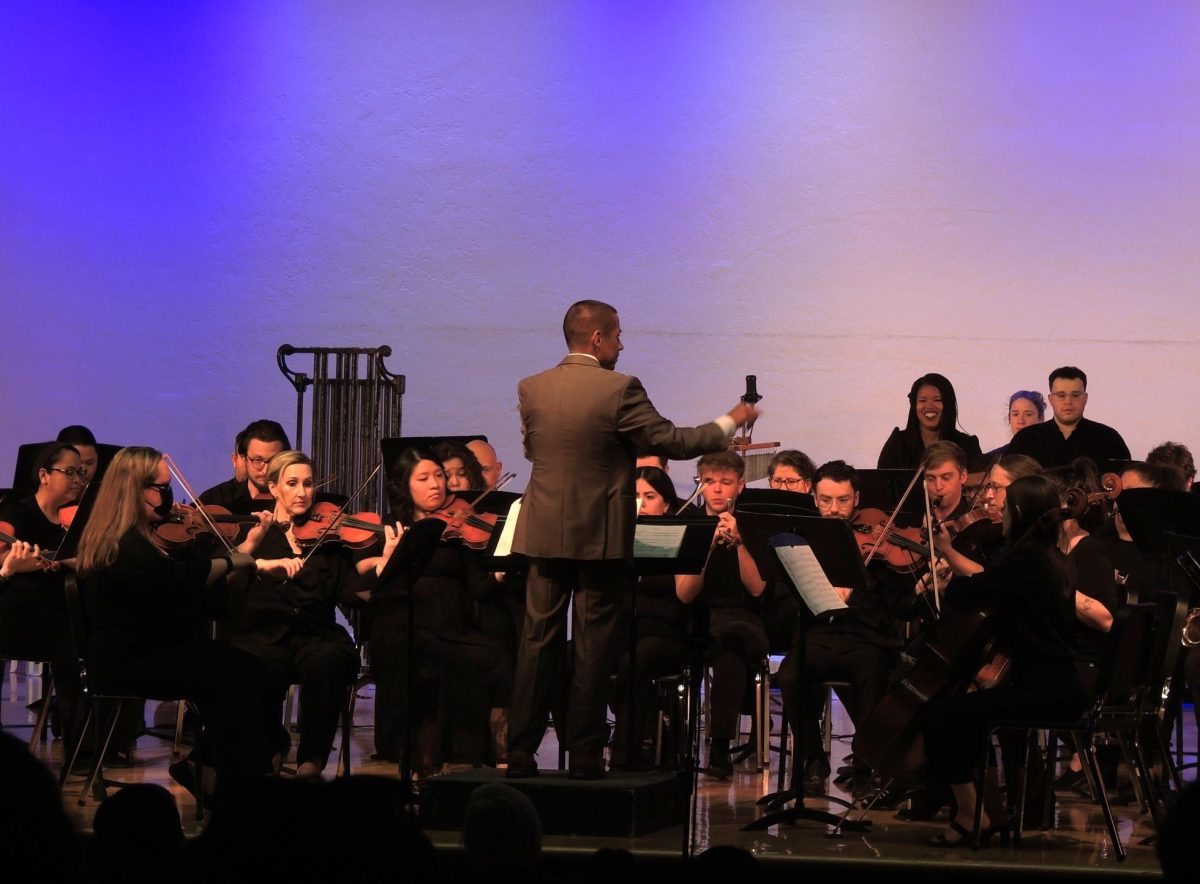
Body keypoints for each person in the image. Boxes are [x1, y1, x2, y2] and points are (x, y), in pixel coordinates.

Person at [506, 299, 756, 780]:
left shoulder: (531, 387)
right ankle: (583, 754)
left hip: (542, 528)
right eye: (617, 334)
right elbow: (674, 442)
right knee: (594, 644)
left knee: (538, 640)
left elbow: (534, 450)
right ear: (596, 338)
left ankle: (521, 752)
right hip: (599, 531)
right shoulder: (620, 389)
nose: (622, 343)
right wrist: (730, 418)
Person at [75, 447, 281, 797]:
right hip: (128, 660)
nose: (170, 498)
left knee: (260, 671)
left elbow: (192, 596)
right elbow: (176, 584)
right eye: (160, 488)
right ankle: (237, 786)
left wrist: (237, 556)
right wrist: (231, 562)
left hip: (161, 650)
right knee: (231, 680)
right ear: (132, 490)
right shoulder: (122, 545)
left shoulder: (147, 541)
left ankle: (214, 767)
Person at [919, 476, 1084, 846]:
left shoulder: (1028, 561)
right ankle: (989, 812)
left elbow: (972, 594)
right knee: (969, 717)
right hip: (1059, 685)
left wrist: (948, 581)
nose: (1002, 515)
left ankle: (966, 815)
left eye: (1007, 508)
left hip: (1041, 691)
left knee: (939, 715)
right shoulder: (1054, 558)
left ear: (1021, 514)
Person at [364, 447, 511, 773]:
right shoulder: (391, 526)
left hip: (451, 627)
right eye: (425, 478)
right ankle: (422, 760)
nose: (436, 484)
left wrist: (502, 570)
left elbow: (479, 586)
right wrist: (385, 561)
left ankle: (480, 757)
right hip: (405, 624)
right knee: (427, 664)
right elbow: (361, 584)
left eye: (439, 477)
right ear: (405, 485)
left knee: (494, 656)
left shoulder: (459, 526)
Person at [225, 450, 362, 777]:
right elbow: (226, 585)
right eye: (292, 483)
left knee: (327, 660)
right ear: (273, 488)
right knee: (254, 665)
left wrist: (385, 563)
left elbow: (351, 593)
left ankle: (311, 763)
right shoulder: (255, 535)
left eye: (308, 484)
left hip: (316, 636)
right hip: (264, 636)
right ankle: (269, 750)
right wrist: (256, 561)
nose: (302, 492)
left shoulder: (329, 537)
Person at [775, 460, 900, 787]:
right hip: (821, 635)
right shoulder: (802, 540)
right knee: (790, 673)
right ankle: (813, 759)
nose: (833, 509)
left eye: (842, 500)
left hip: (865, 639)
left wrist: (860, 590)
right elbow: (786, 596)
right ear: (815, 499)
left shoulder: (877, 538)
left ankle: (866, 763)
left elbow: (894, 600)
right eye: (826, 500)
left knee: (872, 672)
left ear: (856, 498)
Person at [676, 451, 768, 779]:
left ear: (740, 486)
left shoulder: (753, 525)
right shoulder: (689, 522)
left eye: (725, 483)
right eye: (709, 482)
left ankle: (719, 746)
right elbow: (685, 593)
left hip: (743, 619)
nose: (716, 490)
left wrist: (739, 542)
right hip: (699, 617)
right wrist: (707, 546)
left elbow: (757, 588)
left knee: (732, 647)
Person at [0, 442, 89, 767]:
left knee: (87, 641)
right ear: (44, 475)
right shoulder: (15, 512)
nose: (79, 480)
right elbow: (0, 557)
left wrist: (72, 561)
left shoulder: (79, 518)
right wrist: (16, 563)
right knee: (71, 645)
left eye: (81, 473)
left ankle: (84, 748)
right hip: (21, 613)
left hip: (65, 610)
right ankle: (78, 753)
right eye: (70, 472)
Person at [609, 466, 689, 770]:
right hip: (623, 630)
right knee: (569, 658)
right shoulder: (616, 537)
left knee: (635, 662)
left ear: (666, 504)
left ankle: (624, 752)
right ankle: (586, 746)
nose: (640, 504)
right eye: (635, 497)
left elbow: (684, 597)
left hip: (665, 634)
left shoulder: (680, 536)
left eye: (650, 496)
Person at [1006, 367, 1131, 469]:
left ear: (1085, 398)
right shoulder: (1025, 439)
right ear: (1051, 399)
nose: (1068, 402)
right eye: (1061, 395)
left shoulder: (1109, 438)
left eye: (1075, 395)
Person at [877, 374, 982, 471]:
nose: (929, 406)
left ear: (948, 405)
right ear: (914, 406)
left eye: (937, 400)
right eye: (922, 401)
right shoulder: (898, 443)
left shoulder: (967, 445)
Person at [199, 420, 291, 512]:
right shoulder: (216, 499)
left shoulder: (298, 499)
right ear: (244, 458)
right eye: (257, 460)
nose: (266, 470)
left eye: (274, 460)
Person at [987, 391, 1046, 456]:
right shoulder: (995, 458)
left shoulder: (1053, 453)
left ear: (1041, 419)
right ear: (1009, 418)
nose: (1021, 421)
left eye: (1028, 414)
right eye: (1015, 414)